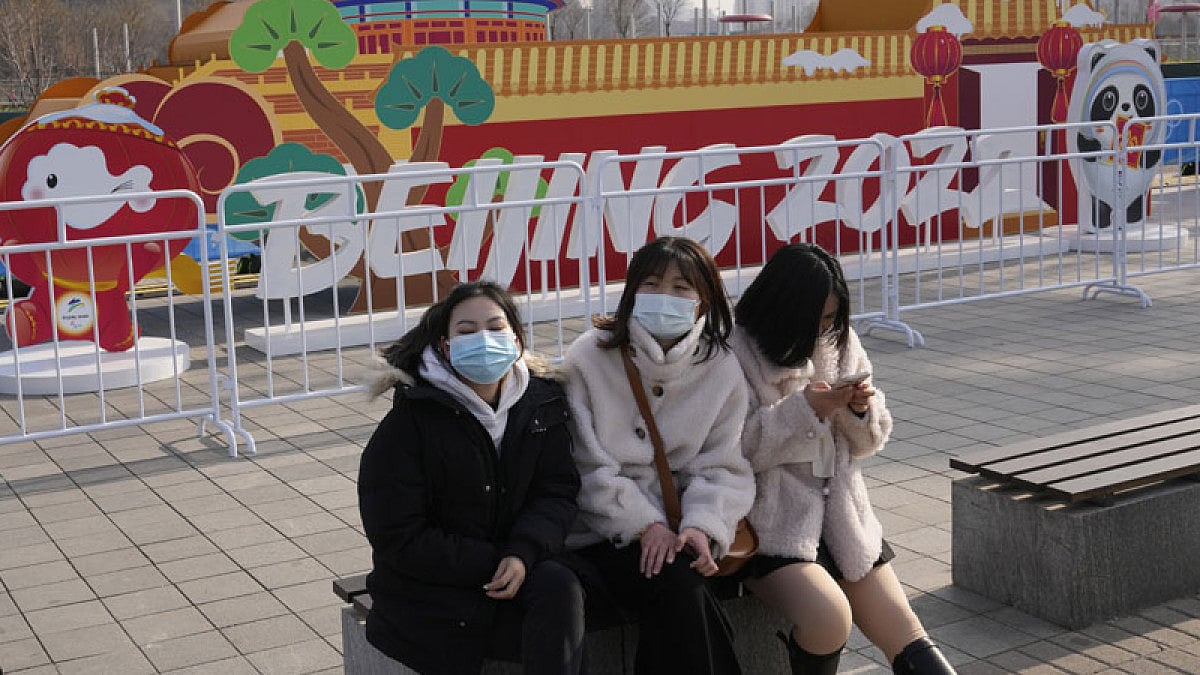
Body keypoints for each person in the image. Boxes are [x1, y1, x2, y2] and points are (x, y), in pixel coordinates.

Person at [730, 243, 957, 675]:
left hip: (842, 518)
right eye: (812, 319)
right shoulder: (734, 351)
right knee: (830, 619)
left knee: (911, 640)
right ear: (780, 306)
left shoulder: (840, 342)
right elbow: (736, 449)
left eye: (831, 318)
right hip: (769, 527)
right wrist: (807, 411)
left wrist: (857, 410)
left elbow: (872, 438)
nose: (821, 329)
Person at [358, 281, 585, 675]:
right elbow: (398, 535)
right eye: (466, 331)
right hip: (432, 589)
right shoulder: (410, 421)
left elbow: (557, 492)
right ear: (445, 346)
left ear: (516, 338)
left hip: (517, 566)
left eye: (496, 327)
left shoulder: (541, 403)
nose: (484, 339)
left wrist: (521, 553)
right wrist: (494, 561)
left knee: (561, 588)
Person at [563, 236, 755, 675]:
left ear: (704, 301)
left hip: (679, 534)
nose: (664, 296)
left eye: (681, 287)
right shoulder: (590, 357)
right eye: (651, 283)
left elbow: (724, 467)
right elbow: (585, 467)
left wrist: (701, 528)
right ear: (631, 291)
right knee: (680, 584)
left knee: (682, 580)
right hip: (600, 533)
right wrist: (642, 525)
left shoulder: (721, 367)